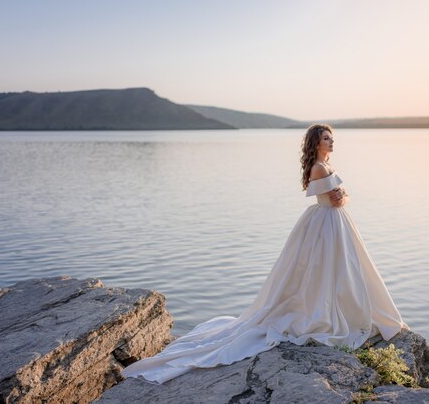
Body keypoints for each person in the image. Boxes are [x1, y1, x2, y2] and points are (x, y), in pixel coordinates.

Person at [121, 123, 409, 384]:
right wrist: (343, 195)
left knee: (342, 269)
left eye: (332, 138)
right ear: (315, 142)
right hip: (326, 222)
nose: (331, 142)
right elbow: (337, 200)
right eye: (326, 138)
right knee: (328, 270)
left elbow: (342, 197)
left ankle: (342, 307)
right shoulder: (319, 169)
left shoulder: (325, 164)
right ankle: (330, 312)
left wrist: (343, 196)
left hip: (332, 223)